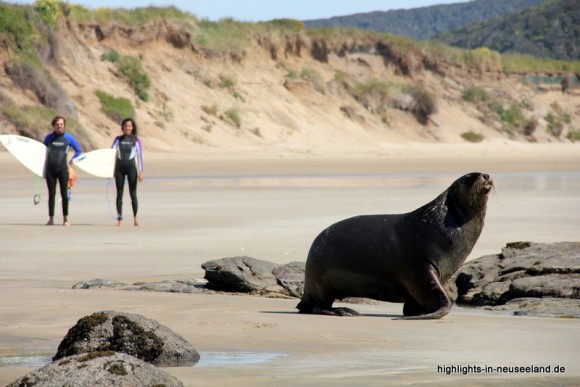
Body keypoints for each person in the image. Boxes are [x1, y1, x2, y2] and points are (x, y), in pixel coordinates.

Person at [43, 116, 82, 226]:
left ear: (64, 125)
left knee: (64, 195)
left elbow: (79, 151)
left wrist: (71, 161)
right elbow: (41, 151)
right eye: (57, 124)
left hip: (63, 170)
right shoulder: (49, 138)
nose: (59, 126)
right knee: (51, 194)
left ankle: (65, 219)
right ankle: (51, 219)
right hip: (50, 170)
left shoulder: (69, 138)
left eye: (61, 124)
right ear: (54, 125)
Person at [111, 118, 144, 226]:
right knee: (119, 194)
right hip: (119, 169)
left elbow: (139, 156)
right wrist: (109, 171)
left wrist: (141, 171)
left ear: (132, 127)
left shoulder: (136, 140)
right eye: (125, 126)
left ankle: (136, 218)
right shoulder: (118, 139)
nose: (127, 128)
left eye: (129, 126)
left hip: (131, 169)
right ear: (123, 127)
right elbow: (111, 154)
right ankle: (120, 219)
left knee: (133, 194)